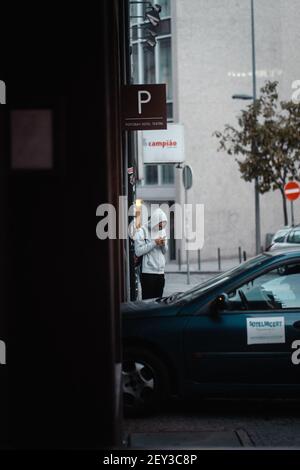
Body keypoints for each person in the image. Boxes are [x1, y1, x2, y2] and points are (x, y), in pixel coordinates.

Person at [135, 208, 168, 300]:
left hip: (160, 272)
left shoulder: (162, 231)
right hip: (147, 272)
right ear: (155, 221)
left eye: (163, 225)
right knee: (147, 302)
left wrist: (163, 244)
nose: (161, 228)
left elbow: (165, 251)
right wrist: (154, 243)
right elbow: (138, 251)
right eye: (160, 225)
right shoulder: (142, 231)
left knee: (158, 301)